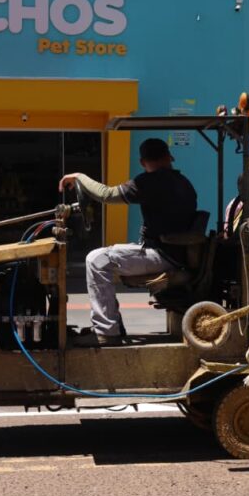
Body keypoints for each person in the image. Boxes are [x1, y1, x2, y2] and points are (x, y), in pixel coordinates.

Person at [59, 138, 197, 347]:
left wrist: (79, 177)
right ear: (170, 157)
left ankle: (106, 331)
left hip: (162, 255)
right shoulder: (183, 182)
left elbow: (107, 194)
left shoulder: (151, 182)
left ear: (142, 162)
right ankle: (113, 323)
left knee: (97, 259)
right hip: (173, 253)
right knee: (107, 256)